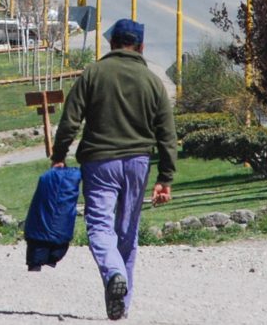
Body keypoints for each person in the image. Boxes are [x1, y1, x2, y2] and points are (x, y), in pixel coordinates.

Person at [50, 18, 176, 321]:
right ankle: (123, 303)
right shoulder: (152, 81)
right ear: (141, 47)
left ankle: (113, 273)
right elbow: (167, 132)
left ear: (111, 43)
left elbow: (70, 119)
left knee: (99, 227)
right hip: (138, 164)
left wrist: (59, 155)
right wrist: (165, 178)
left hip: (100, 163)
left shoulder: (93, 73)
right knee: (127, 234)